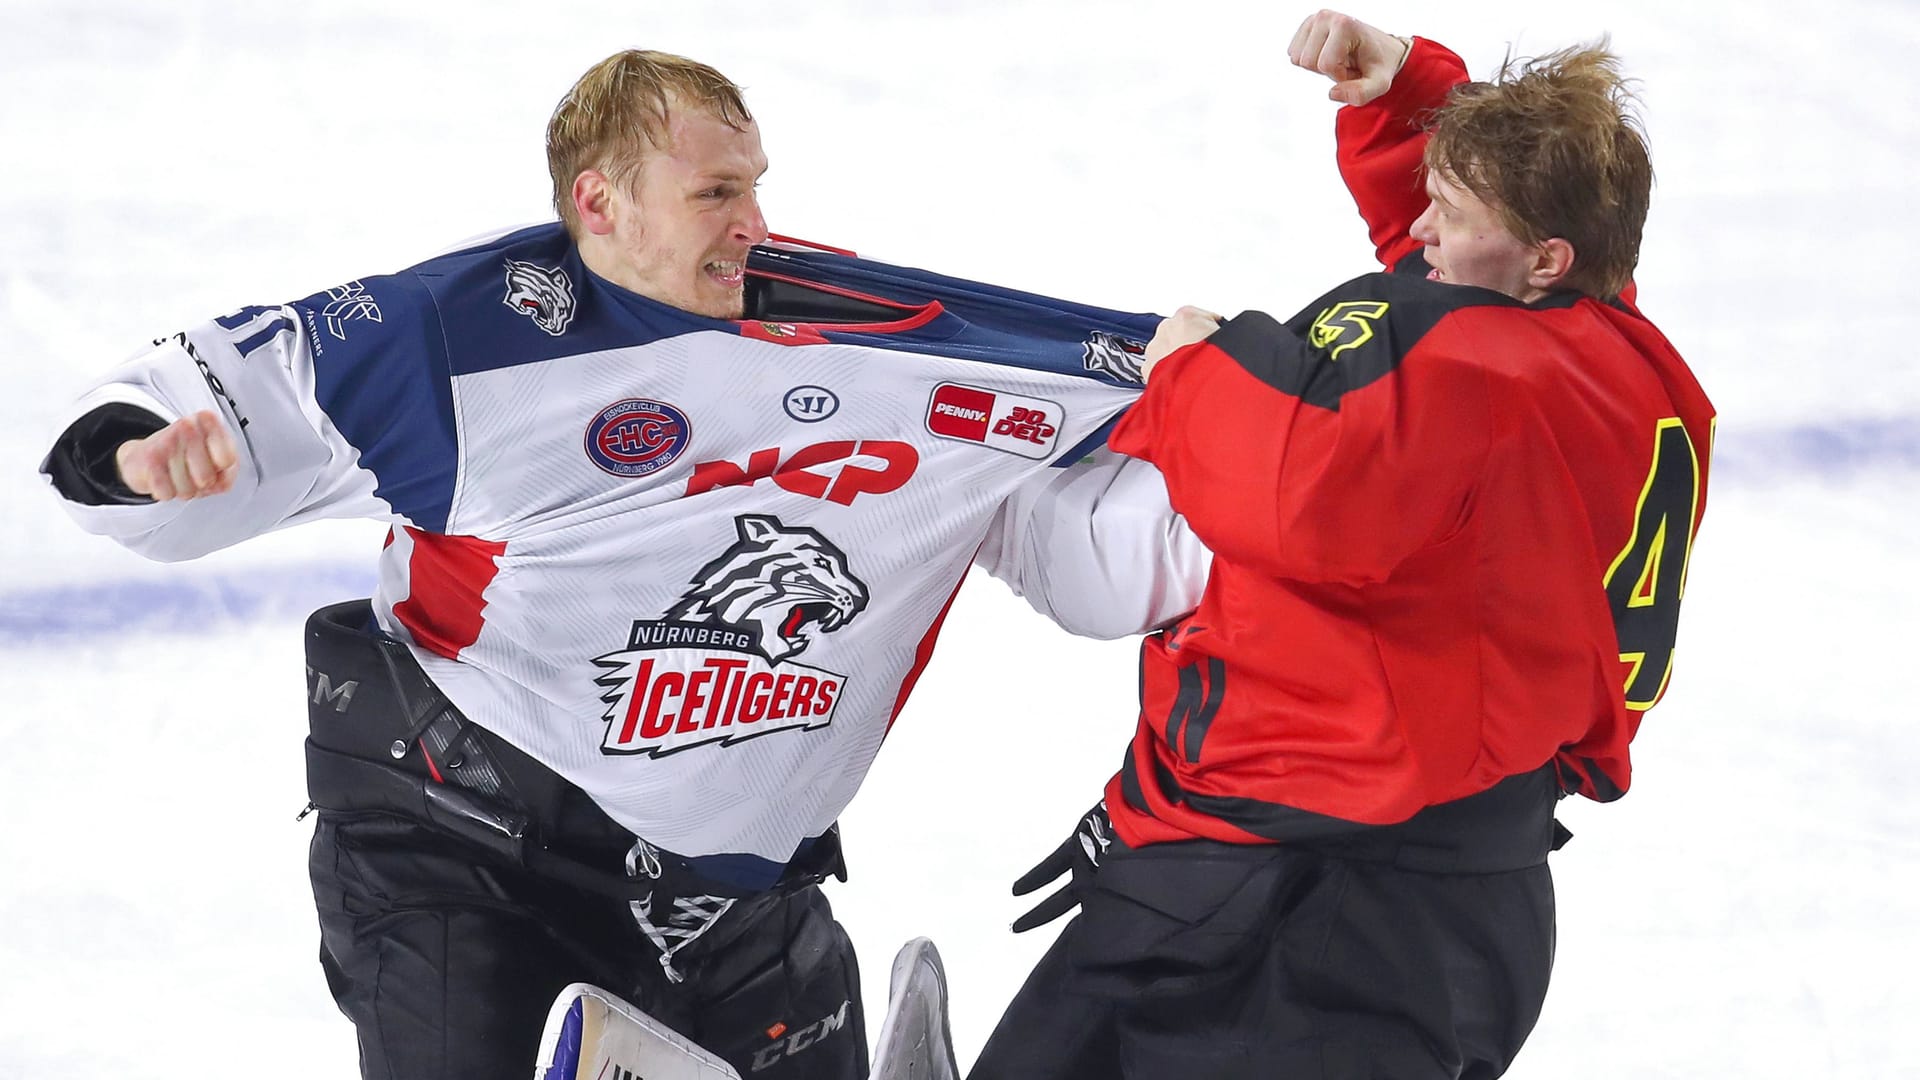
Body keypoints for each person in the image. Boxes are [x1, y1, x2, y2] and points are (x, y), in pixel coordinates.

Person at [38, 50, 1210, 1080]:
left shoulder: (893, 352)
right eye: (715, 192)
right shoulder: (467, 337)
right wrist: (131, 458)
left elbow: (1098, 562)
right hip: (467, 866)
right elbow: (232, 389)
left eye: (755, 185)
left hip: (740, 910)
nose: (753, 219)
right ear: (599, 202)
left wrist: (1250, 478)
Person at [969, 10, 1716, 1079]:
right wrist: (1412, 104)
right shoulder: (1620, 351)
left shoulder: (1473, 384)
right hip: (1475, 892)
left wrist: (1197, 364)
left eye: (1448, 215)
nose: (1418, 235)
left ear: (1545, 258)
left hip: (1311, 905)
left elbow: (1290, 490)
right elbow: (1454, 313)